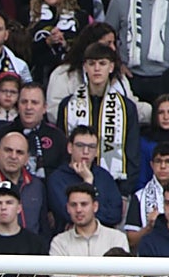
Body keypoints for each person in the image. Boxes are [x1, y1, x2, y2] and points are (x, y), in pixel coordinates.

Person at [56, 43, 140, 200]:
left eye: (102, 63)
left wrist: (123, 192)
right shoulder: (68, 105)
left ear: (111, 67)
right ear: (85, 67)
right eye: (92, 63)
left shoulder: (126, 107)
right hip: (73, 183)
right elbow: (62, 148)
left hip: (113, 187)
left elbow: (132, 153)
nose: (96, 68)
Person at [47, 126, 126, 229]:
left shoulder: (104, 176)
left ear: (97, 151)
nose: (85, 151)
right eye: (80, 145)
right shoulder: (57, 178)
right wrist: (88, 182)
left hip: (103, 237)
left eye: (91, 147)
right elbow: (70, 215)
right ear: (70, 148)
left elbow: (115, 215)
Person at [28, 0, 86, 85]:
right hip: (38, 78)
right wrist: (46, 42)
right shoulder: (28, 14)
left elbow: (84, 50)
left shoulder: (80, 16)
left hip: (70, 78)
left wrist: (65, 43)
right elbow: (23, 51)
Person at [125, 141, 169, 249]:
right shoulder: (139, 197)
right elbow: (131, 241)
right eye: (158, 161)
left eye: (168, 161)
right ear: (151, 164)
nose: (163, 166)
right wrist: (149, 227)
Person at [9, 82, 66, 179]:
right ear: (17, 106)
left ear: (44, 108)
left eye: (34, 102)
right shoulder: (4, 135)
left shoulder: (58, 137)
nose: (28, 107)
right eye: (24, 102)